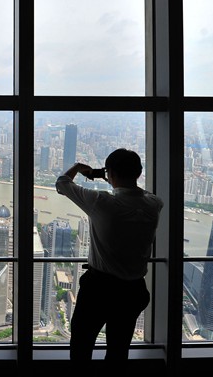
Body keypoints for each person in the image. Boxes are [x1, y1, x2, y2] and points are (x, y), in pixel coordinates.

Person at [55, 148, 163, 377]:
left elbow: (62, 184)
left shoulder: (101, 202)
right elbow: (143, 194)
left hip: (99, 289)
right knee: (118, 350)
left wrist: (78, 168)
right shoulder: (154, 205)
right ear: (140, 172)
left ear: (110, 173)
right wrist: (112, 176)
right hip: (133, 290)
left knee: (82, 346)